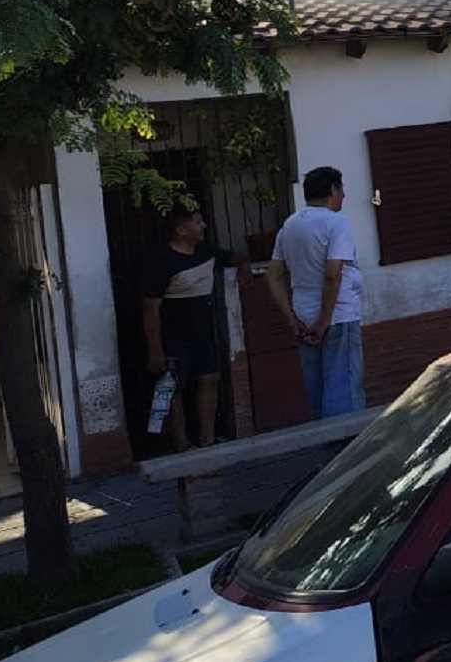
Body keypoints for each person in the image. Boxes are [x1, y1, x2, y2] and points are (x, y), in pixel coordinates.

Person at [140, 205, 248, 450]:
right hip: (172, 339)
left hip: (202, 336)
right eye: (198, 222)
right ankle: (180, 444)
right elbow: (150, 309)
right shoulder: (162, 261)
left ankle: (207, 441)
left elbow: (236, 256)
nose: (204, 226)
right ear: (181, 229)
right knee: (170, 389)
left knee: (210, 379)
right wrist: (155, 349)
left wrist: (243, 265)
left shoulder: (207, 252)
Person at [268, 166, 365, 418]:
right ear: (333, 190)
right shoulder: (337, 223)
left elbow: (274, 274)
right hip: (337, 315)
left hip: (303, 315)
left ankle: (324, 447)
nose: (343, 196)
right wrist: (324, 321)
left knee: (317, 390)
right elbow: (333, 274)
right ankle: (345, 448)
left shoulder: (289, 225)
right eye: (341, 190)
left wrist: (291, 318)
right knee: (343, 388)